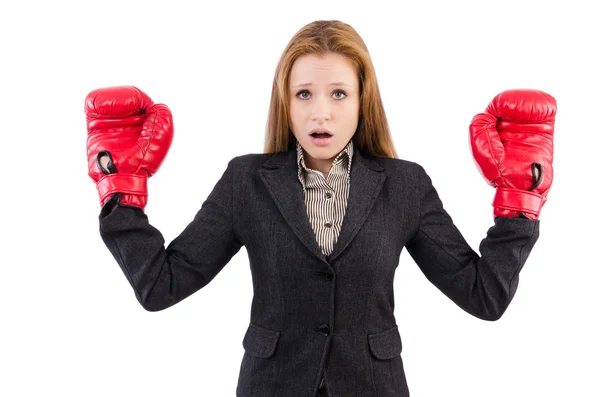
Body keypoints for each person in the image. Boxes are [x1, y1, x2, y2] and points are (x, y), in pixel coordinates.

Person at [85, 20, 555, 397]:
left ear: (362, 99)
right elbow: (160, 286)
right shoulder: (246, 181)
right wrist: (121, 192)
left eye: (339, 93)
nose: (320, 113)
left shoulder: (405, 184)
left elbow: (484, 296)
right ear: (285, 102)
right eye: (304, 93)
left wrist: (519, 204)